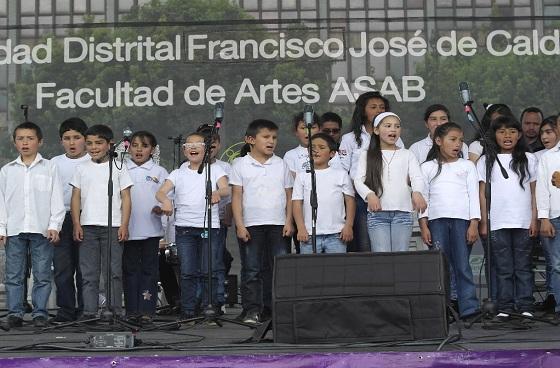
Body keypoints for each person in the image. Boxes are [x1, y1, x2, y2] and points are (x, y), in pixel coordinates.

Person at [156, 132, 229, 319]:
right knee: (187, 272)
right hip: (185, 229)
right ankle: (188, 312)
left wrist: (218, 193)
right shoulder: (178, 173)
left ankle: (209, 309)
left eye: (198, 144)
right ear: (184, 150)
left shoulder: (215, 171)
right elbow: (161, 192)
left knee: (209, 271)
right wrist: (165, 201)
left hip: (209, 228)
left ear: (206, 149)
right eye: (189, 145)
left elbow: (226, 188)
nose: (194, 148)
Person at [0, 122, 65, 330]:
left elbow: (56, 198)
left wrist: (55, 225)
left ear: (40, 141)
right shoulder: (7, 171)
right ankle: (15, 313)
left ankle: (40, 312)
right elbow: (1, 202)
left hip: (41, 228)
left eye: (30, 138)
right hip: (15, 229)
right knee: (13, 275)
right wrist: (2, 228)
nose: (25, 143)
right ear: (15, 142)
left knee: (42, 273)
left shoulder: (49, 167)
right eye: (20, 138)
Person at [230, 119, 293, 324]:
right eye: (266, 137)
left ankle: (273, 310)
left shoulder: (281, 163)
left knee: (276, 269)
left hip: (277, 223)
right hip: (251, 224)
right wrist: (240, 225)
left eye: (274, 137)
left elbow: (289, 195)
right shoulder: (240, 164)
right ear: (250, 140)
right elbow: (237, 197)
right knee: (252, 269)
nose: (271, 141)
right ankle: (251, 310)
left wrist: (289, 221)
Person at [70, 124, 133, 321]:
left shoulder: (119, 167)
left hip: (113, 226)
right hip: (88, 226)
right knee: (89, 272)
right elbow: (75, 197)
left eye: (98, 143)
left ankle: (114, 310)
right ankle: (89, 311)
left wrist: (124, 224)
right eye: (89, 143)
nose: (93, 147)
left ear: (109, 144)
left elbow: (126, 198)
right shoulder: (81, 168)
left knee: (113, 271)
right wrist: (76, 223)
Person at [418, 122, 480, 320]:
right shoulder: (427, 167)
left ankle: (469, 307)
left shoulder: (467, 166)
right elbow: (423, 197)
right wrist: (423, 224)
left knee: (462, 264)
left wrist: (474, 223)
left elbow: (473, 195)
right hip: (437, 221)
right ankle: (443, 307)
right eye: (452, 140)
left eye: (461, 140)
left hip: (462, 221)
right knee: (441, 266)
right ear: (438, 141)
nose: (458, 144)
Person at [477, 116, 537, 320]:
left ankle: (525, 305)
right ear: (494, 135)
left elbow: (534, 190)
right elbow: (482, 192)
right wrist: (484, 221)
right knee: (503, 268)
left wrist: (535, 218)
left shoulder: (529, 159)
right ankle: (505, 307)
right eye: (501, 131)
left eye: (512, 131)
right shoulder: (486, 160)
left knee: (523, 266)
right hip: (497, 221)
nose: (507, 135)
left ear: (519, 135)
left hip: (523, 220)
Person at [339, 92, 403, 252]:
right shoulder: (349, 139)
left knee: (388, 247)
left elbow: (402, 165)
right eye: (373, 107)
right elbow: (343, 170)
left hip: (389, 197)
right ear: (362, 111)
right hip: (361, 199)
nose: (378, 110)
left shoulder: (394, 136)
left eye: (382, 107)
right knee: (365, 244)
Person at [354, 112, 426, 252]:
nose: (393, 129)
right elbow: (358, 180)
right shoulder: (367, 155)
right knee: (382, 255)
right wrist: (369, 194)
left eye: (397, 126)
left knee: (401, 254)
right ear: (376, 130)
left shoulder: (407, 154)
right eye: (388, 126)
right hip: (377, 215)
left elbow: (417, 177)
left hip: (402, 213)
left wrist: (417, 192)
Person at [123, 131, 168, 324]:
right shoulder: (121, 170)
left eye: (144, 145)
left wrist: (161, 209)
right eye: (135, 145)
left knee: (149, 270)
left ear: (153, 150)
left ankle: (148, 309)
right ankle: (132, 309)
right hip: (128, 230)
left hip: (151, 230)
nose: (139, 149)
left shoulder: (159, 171)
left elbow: (168, 199)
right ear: (128, 148)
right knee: (130, 270)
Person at [50, 117, 90, 322]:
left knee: (85, 268)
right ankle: (66, 310)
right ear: (61, 141)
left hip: (87, 217)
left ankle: (86, 310)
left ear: (86, 139)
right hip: (61, 218)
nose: (72, 143)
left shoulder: (94, 161)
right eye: (67, 138)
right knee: (63, 269)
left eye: (77, 137)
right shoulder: (54, 163)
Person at [292, 133, 355, 254]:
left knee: (336, 269)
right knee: (310, 270)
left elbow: (350, 201)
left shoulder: (340, 174)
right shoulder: (302, 176)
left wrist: (348, 226)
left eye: (321, 147)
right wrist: (300, 228)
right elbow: (296, 203)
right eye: (313, 148)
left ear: (332, 153)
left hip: (336, 233)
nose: (316, 151)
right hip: (309, 234)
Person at [536, 125, 560, 321]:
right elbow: (542, 189)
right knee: (557, 264)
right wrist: (544, 218)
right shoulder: (548, 157)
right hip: (555, 215)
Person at [283, 111, 320, 176]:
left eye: (312, 127)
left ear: (320, 130)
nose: (308, 132)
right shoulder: (290, 155)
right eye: (303, 128)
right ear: (296, 131)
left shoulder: (329, 152)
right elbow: (291, 182)